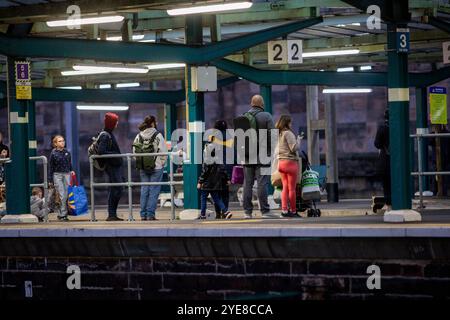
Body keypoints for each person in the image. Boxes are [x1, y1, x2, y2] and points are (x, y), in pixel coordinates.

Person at [240, 95, 276, 219]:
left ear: (251, 103)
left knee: (247, 184)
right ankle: (265, 211)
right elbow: (273, 136)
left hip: (247, 156)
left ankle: (247, 212)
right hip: (263, 156)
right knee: (262, 183)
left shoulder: (243, 117)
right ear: (262, 104)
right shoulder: (266, 116)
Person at [132, 115, 167, 221]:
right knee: (154, 191)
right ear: (153, 123)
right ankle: (150, 214)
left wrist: (141, 162)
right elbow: (164, 152)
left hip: (143, 167)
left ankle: (143, 215)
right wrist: (161, 163)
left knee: (144, 190)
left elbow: (134, 152)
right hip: (156, 167)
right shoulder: (158, 135)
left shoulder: (139, 136)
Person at [97, 112, 124, 221]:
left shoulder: (108, 133)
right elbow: (101, 151)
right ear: (111, 123)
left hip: (114, 165)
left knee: (116, 189)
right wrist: (116, 155)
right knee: (117, 189)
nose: (117, 123)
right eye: (116, 121)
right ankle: (111, 214)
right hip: (112, 166)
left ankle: (112, 214)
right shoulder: (105, 135)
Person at [197, 142, 232, 220]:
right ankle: (226, 211)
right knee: (217, 199)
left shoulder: (206, 160)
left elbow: (204, 173)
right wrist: (227, 179)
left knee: (203, 199)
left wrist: (200, 182)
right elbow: (223, 170)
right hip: (216, 184)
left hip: (206, 184)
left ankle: (203, 215)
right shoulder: (218, 159)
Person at [275, 115, 302, 217]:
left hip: (281, 163)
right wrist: (299, 139)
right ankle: (294, 211)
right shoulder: (288, 133)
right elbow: (294, 148)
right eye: (290, 122)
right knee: (292, 189)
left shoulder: (279, 133)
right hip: (290, 163)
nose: (291, 124)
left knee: (285, 188)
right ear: (287, 123)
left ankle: (284, 210)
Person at [209, 120, 234, 219]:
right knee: (225, 191)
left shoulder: (213, 137)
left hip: (216, 167)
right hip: (228, 166)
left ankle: (218, 212)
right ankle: (225, 211)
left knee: (216, 191)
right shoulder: (229, 136)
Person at [49, 135, 74, 221]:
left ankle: (62, 214)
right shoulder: (53, 153)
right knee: (61, 195)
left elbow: (69, 163)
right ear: (55, 143)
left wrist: (72, 170)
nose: (62, 142)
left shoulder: (67, 152)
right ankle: (62, 214)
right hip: (57, 175)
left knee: (66, 194)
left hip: (67, 174)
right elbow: (51, 167)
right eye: (60, 141)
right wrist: (50, 179)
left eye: (63, 140)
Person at [374, 109, 391, 211]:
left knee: (386, 183)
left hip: (385, 160)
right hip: (398, 161)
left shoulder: (382, 128)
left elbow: (377, 144)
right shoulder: (399, 127)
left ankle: (389, 204)